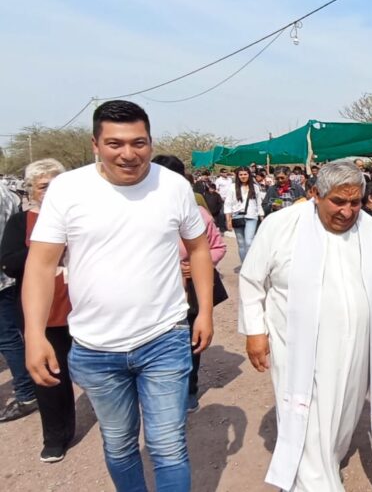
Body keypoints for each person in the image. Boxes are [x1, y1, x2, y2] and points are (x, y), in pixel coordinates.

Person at [22, 100, 214, 491]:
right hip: (95, 348)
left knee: (168, 446)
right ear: (95, 144)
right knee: (120, 444)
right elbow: (41, 265)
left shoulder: (173, 186)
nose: (129, 154)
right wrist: (35, 334)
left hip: (164, 338)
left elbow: (198, 248)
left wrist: (204, 312)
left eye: (138, 143)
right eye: (115, 143)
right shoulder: (67, 189)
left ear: (149, 141)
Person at [239, 162, 372, 491]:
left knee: (344, 412)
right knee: (308, 418)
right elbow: (252, 280)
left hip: (356, 346)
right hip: (298, 347)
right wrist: (255, 332)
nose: (347, 211)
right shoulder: (281, 226)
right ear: (316, 194)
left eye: (355, 202)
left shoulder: (369, 229)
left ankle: (328, 460)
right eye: (338, 202)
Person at [0, 159, 73, 461]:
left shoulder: (81, 216)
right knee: (51, 372)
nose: (50, 191)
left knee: (99, 369)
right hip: (44, 308)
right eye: (44, 186)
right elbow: (10, 263)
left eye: (57, 184)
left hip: (85, 304)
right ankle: (56, 435)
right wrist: (46, 249)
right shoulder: (22, 222)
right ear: (32, 190)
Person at [153, 156, 227, 412]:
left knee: (189, 339)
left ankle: (189, 389)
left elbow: (218, 247)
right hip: (153, 293)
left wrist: (197, 266)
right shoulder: (133, 213)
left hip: (190, 292)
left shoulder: (198, 214)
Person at [0, 179, 38, 424]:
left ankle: (26, 393)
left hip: (4, 278)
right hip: (8, 276)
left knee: (8, 338)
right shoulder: (7, 193)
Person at [224, 166, 262, 263]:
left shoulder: (255, 187)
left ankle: (251, 265)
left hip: (251, 216)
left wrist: (262, 218)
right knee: (241, 243)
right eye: (241, 174)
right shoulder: (232, 187)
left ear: (249, 175)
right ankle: (244, 265)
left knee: (249, 242)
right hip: (237, 216)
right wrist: (228, 221)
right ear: (238, 176)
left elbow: (259, 204)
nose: (243, 176)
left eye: (245, 174)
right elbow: (228, 204)